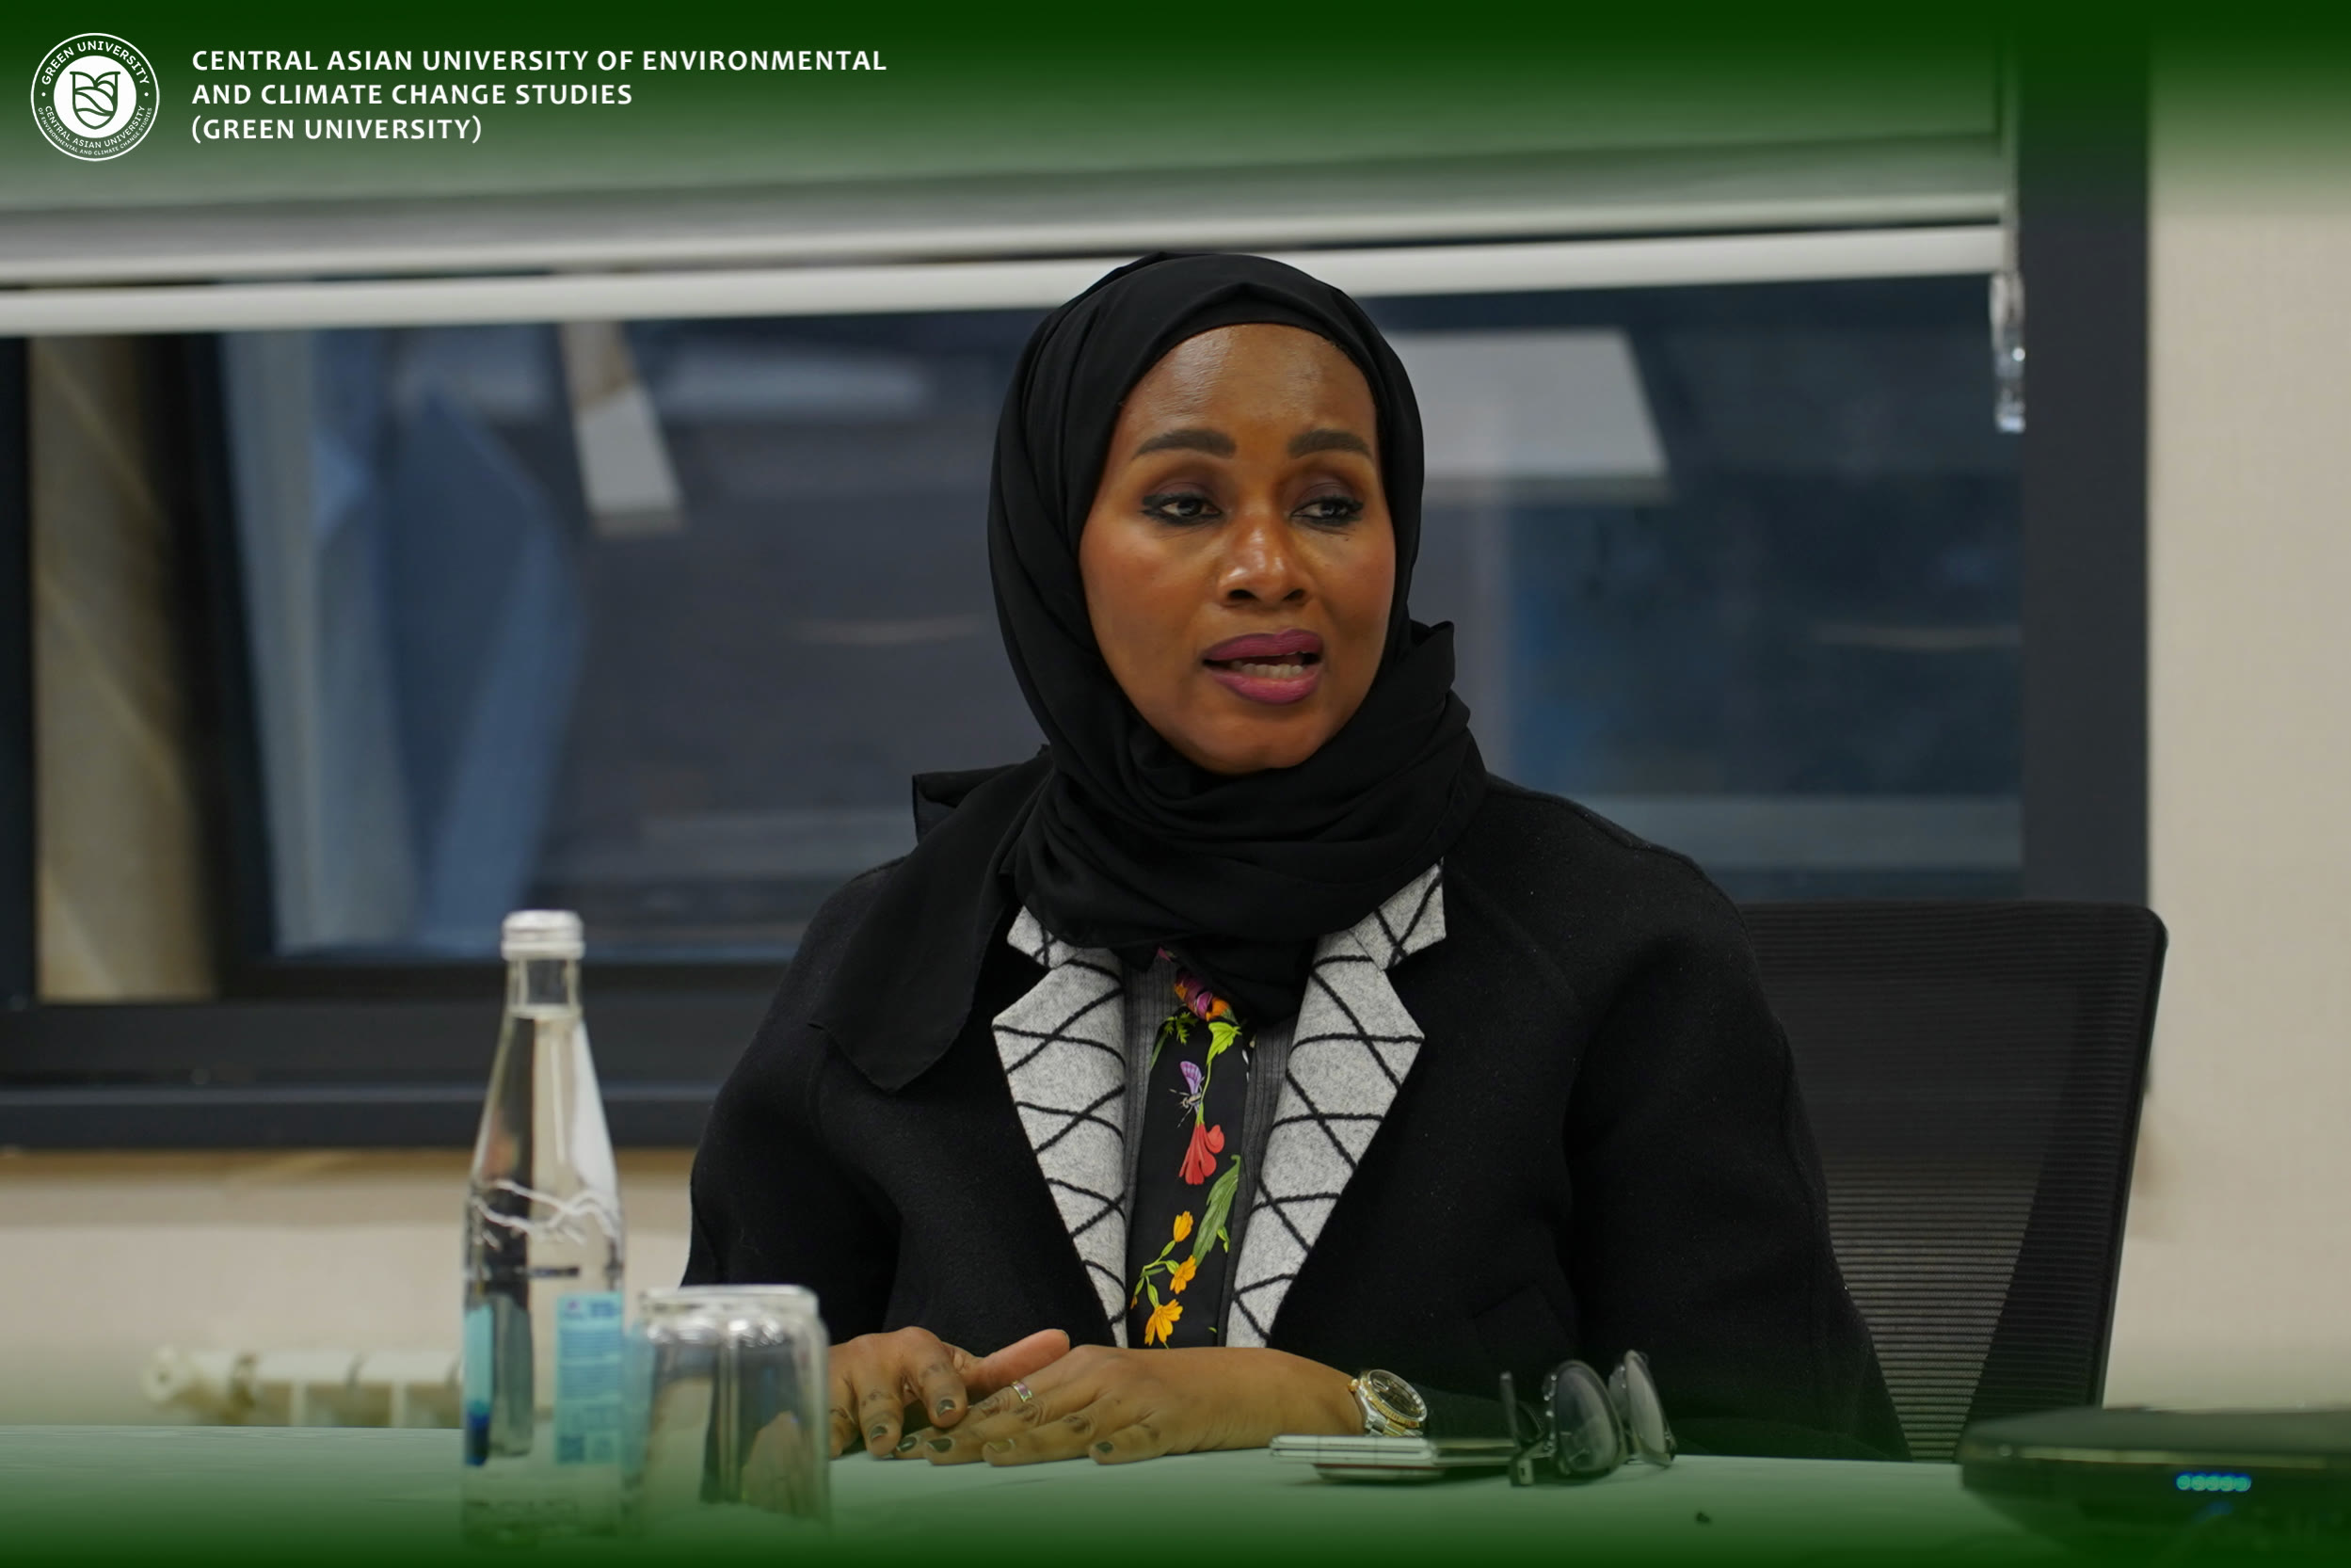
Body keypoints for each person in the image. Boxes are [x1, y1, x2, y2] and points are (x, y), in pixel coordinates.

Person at [684, 252, 1906, 1469]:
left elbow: (1792, 1475)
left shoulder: (1614, 941)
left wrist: (1341, 1409)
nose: (1269, 568)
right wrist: (796, 1388)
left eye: (1328, 504)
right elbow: (687, 1436)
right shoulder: (899, 947)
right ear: (1059, 547)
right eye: (1185, 504)